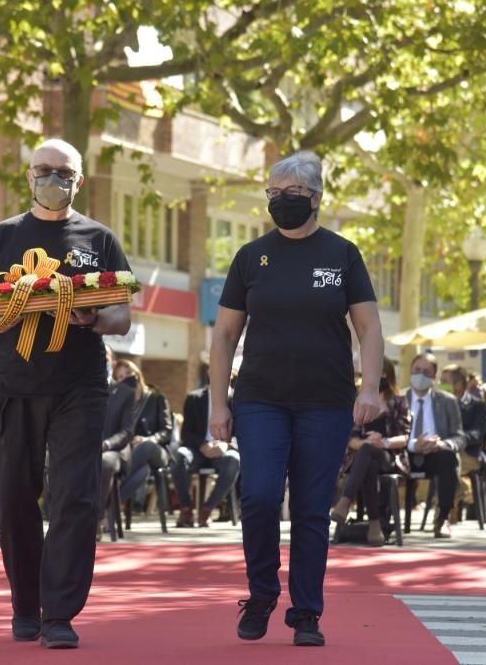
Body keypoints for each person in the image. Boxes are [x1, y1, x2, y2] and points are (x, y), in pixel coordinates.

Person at [0, 138, 131, 648]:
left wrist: (93, 316)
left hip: (81, 386)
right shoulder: (2, 237)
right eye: (43, 170)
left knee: (75, 497)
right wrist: (9, 307)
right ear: (28, 176)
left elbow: (122, 315)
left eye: (63, 172)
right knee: (12, 498)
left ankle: (59, 613)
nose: (52, 179)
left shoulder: (99, 238)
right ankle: (25, 604)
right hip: (12, 386)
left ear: (79, 180)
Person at [210, 151, 383, 647]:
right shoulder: (250, 257)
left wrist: (368, 387)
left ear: (316, 198)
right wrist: (218, 405)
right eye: (272, 194)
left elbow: (369, 326)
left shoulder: (342, 254)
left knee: (311, 509)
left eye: (291, 195)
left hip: (325, 402)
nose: (280, 202)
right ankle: (262, 592)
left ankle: (306, 611)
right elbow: (224, 335)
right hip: (260, 398)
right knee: (260, 497)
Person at [330, 370, 409, 546]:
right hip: (364, 458)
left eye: (383, 373)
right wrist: (367, 442)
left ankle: (345, 501)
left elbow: (404, 437)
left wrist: (383, 442)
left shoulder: (398, 401)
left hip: (389, 456)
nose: (379, 376)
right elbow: (351, 439)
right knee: (368, 459)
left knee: (369, 453)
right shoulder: (360, 402)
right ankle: (375, 525)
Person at [403, 353, 466, 538]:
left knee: (448, 457)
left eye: (426, 372)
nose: (421, 375)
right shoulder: (398, 398)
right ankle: (381, 517)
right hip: (404, 453)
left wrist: (443, 443)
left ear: (434, 377)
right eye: (417, 370)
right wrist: (414, 445)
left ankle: (443, 518)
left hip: (435, 454)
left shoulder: (447, 401)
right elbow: (389, 434)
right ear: (410, 372)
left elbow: (460, 437)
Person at [172, 379, 241, 528]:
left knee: (234, 460)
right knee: (179, 456)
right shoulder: (194, 398)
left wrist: (226, 444)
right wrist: (202, 445)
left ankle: (207, 509)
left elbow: (244, 432)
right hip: (197, 450)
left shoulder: (239, 399)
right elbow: (186, 433)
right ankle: (186, 510)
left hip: (223, 450)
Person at [440, 364, 486, 521]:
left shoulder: (478, 406)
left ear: (459, 384)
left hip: (469, 453)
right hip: (439, 449)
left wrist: (454, 441)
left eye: (444, 382)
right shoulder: (437, 404)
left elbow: (476, 435)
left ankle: (442, 518)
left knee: (447, 461)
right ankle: (459, 489)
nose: (440, 385)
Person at [111, 360, 174, 510]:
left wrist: (148, 439)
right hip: (132, 453)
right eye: (120, 377)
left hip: (157, 450)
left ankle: (111, 492)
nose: (125, 378)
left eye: (127, 373)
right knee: (143, 471)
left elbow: (166, 430)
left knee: (146, 447)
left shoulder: (156, 398)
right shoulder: (119, 403)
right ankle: (111, 509)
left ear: (136, 374)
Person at [99, 350, 136, 533]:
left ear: (111, 364)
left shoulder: (125, 392)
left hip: (114, 450)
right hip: (85, 448)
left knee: (105, 463)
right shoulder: (79, 390)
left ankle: (95, 519)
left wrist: (106, 445)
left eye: (104, 358)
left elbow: (127, 431)